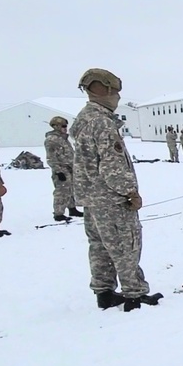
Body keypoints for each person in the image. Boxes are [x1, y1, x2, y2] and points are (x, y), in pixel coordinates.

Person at [71, 68, 161, 311]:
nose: (118, 97)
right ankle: (134, 295)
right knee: (125, 246)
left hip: (92, 199)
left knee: (100, 247)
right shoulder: (102, 123)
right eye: (116, 92)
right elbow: (112, 167)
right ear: (105, 89)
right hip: (111, 199)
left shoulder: (84, 120)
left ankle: (105, 293)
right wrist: (130, 192)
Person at [44, 116, 83, 221]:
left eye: (66, 126)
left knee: (71, 189)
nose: (65, 128)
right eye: (63, 126)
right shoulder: (51, 140)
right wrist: (58, 171)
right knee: (62, 191)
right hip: (61, 169)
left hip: (70, 167)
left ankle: (72, 208)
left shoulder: (63, 138)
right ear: (55, 126)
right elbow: (51, 157)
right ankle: (58, 213)